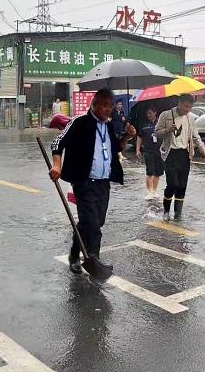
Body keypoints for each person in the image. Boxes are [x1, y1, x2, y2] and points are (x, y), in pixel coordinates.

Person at [49, 88, 136, 277]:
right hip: (84, 181)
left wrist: (127, 136)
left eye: (110, 105)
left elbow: (115, 148)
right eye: (104, 105)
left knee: (96, 221)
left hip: (103, 182)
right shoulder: (79, 122)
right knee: (93, 224)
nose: (108, 109)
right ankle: (94, 261)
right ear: (94, 104)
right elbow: (58, 142)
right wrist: (57, 165)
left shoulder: (109, 126)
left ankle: (74, 254)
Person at [155, 94, 205, 221]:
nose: (187, 109)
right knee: (172, 185)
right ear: (179, 103)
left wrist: (203, 150)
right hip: (170, 154)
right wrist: (168, 130)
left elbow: (195, 136)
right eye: (185, 106)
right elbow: (157, 132)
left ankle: (178, 214)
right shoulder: (166, 115)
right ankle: (166, 211)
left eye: (190, 107)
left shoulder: (190, 118)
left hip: (184, 154)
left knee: (182, 186)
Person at [136, 104, 164, 200]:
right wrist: (137, 149)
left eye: (150, 113)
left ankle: (154, 191)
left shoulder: (161, 123)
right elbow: (139, 137)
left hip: (160, 151)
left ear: (155, 112)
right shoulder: (143, 124)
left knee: (158, 172)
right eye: (147, 113)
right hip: (148, 150)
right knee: (150, 171)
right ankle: (149, 192)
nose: (148, 115)